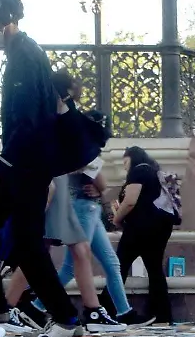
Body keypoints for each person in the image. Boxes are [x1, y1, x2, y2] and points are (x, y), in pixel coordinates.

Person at [0, 0, 83, 337]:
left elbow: (28, 122)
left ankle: (65, 319)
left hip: (24, 165)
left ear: (4, 21)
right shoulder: (25, 53)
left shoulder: (24, 56)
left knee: (23, 242)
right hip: (23, 163)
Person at [53, 71, 135, 324]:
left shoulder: (70, 130)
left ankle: (124, 312)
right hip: (82, 206)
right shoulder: (78, 139)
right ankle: (36, 302)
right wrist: (101, 189)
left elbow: (99, 182)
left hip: (88, 207)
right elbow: (98, 179)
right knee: (74, 262)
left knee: (111, 262)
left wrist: (100, 191)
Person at [112, 146, 178, 325]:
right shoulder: (152, 172)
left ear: (132, 158)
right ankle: (162, 314)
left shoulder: (139, 171)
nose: (125, 167)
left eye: (125, 162)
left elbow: (130, 201)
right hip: (160, 226)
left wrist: (117, 219)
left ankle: (109, 310)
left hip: (141, 228)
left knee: (118, 266)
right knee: (155, 269)